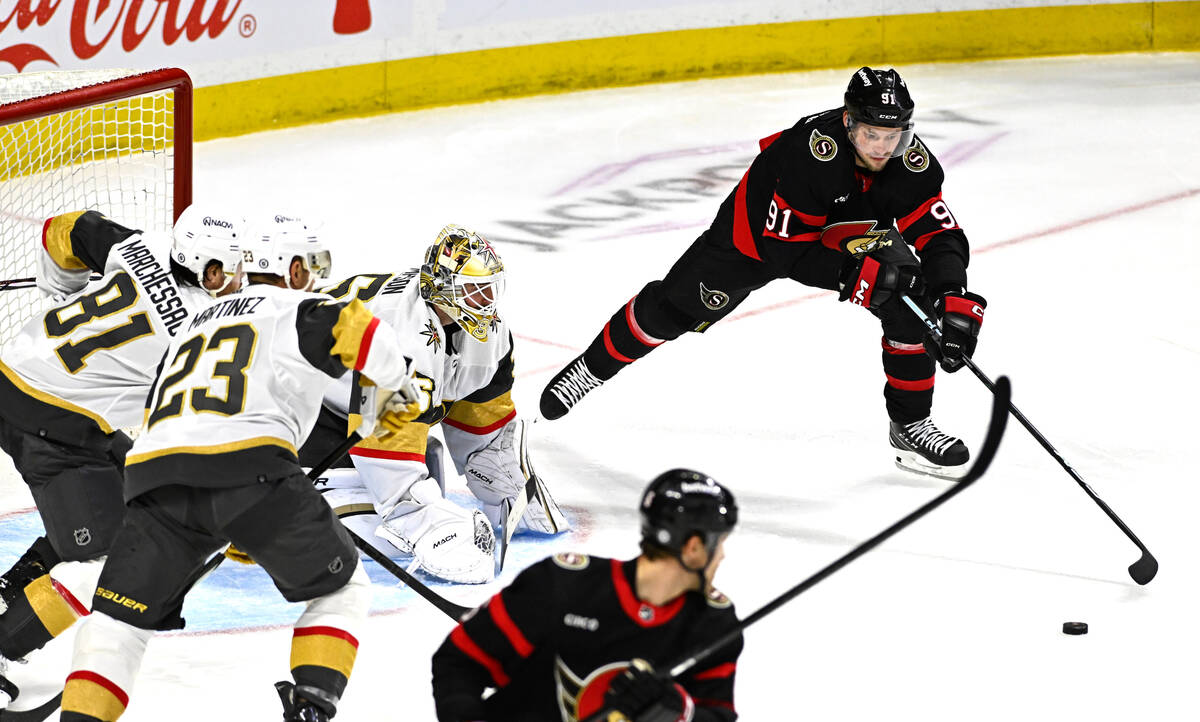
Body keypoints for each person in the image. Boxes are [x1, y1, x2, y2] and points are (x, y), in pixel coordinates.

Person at [56, 214, 425, 722]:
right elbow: (359, 330)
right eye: (312, 265)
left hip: (153, 479)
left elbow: (157, 414)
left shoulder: (190, 325)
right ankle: (311, 710)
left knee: (116, 625)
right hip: (250, 470)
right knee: (343, 590)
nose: (317, 275)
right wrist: (396, 385)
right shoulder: (293, 307)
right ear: (293, 269)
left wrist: (226, 523)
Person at [540, 67, 988, 480]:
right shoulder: (810, 154)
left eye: (892, 136)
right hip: (755, 240)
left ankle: (910, 426)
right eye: (871, 134)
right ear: (849, 124)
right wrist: (860, 278)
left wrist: (952, 295)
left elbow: (939, 233)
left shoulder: (913, 165)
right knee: (670, 311)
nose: (882, 147)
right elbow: (785, 253)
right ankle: (591, 369)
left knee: (916, 305)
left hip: (856, 233)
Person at [0, 205, 243, 708]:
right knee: (106, 560)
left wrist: (61, 292)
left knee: (136, 509)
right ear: (210, 271)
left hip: (26, 378)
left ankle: (9, 592)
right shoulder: (200, 331)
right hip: (50, 422)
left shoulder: (138, 245)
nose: (240, 278)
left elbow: (62, 229)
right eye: (233, 268)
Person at [299, 224, 568, 585]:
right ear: (441, 288)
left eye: (489, 289)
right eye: (473, 291)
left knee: (429, 472)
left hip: (357, 413)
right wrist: (425, 521)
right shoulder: (395, 335)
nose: (485, 302)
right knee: (372, 533)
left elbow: (479, 415)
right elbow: (382, 448)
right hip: (303, 419)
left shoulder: (485, 334)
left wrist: (498, 475)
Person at [432, 468, 742, 722]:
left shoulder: (712, 624)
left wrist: (680, 712)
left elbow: (718, 716)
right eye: (720, 542)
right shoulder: (561, 587)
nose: (723, 556)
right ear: (693, 548)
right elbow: (460, 661)